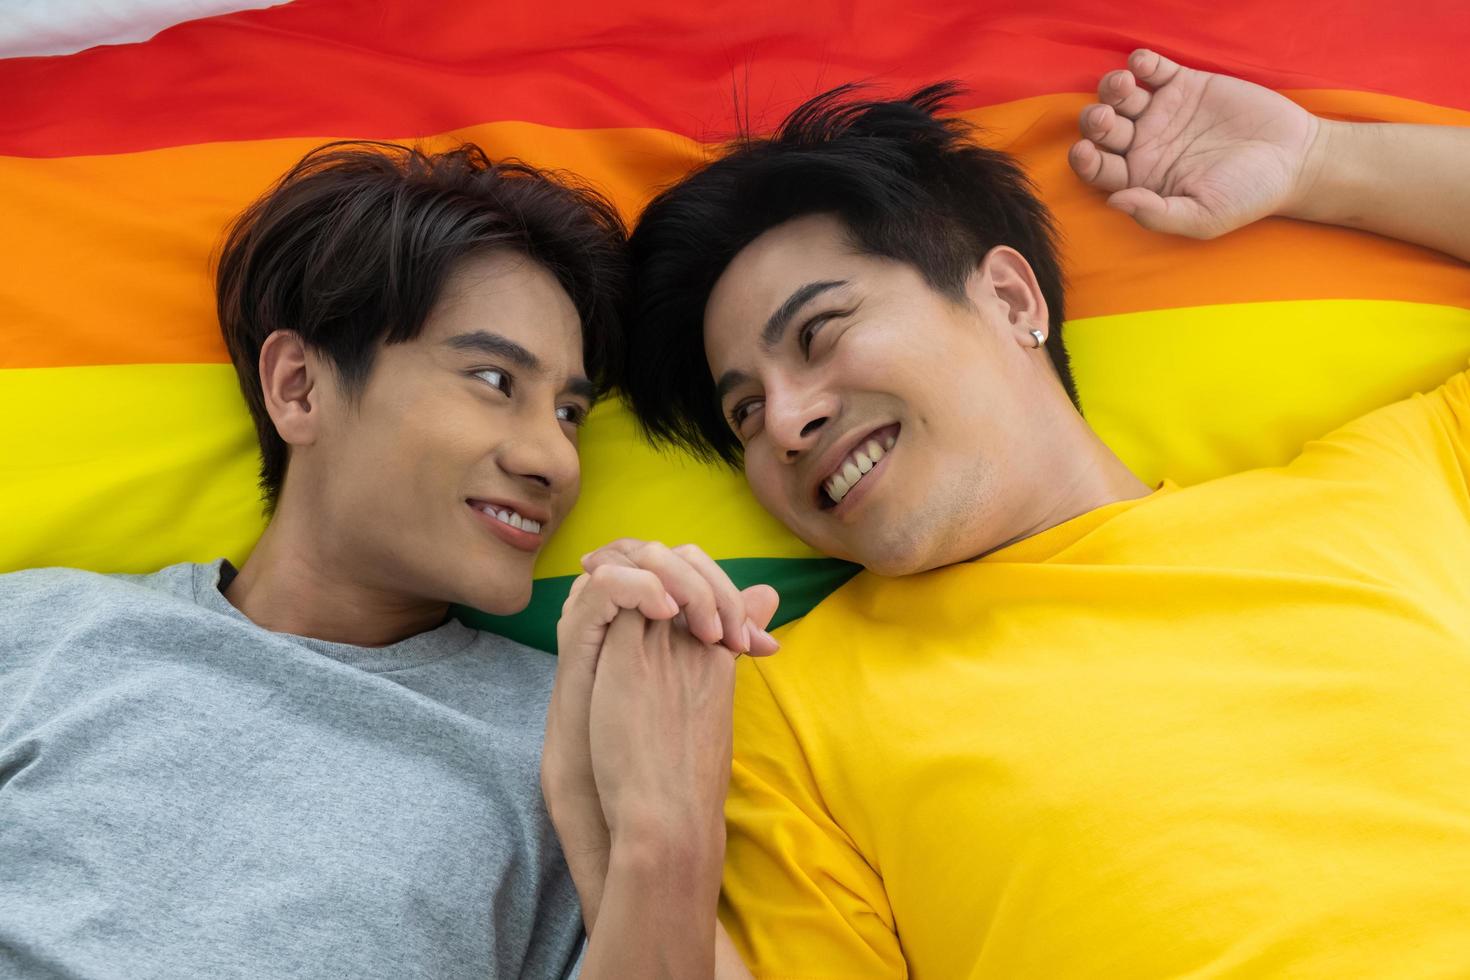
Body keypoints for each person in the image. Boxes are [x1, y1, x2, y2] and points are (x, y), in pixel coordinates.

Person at [596, 49, 1470, 975]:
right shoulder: (786, 704)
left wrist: (1325, 163)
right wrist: (631, 829)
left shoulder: (1399, 480)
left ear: (1011, 299)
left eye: (819, 332)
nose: (785, 421)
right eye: (743, 414)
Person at [0, 139, 777, 979]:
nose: (556, 461)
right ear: (298, 386)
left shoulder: (578, 732)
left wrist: (666, 833)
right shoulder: (42, 631)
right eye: (492, 379)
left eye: (570, 413)